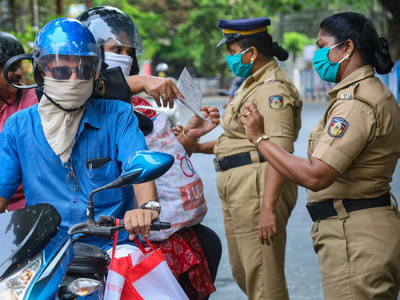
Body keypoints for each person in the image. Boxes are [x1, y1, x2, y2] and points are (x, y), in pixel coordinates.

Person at [240, 12, 400, 300]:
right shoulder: (365, 94)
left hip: (356, 236)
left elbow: (316, 175)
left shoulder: (357, 103)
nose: (317, 54)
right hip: (360, 227)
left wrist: (259, 138)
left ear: (347, 48)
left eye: (322, 44)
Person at [77, 7, 222, 299]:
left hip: (174, 230)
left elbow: (162, 164)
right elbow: (86, 87)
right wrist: (143, 81)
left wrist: (190, 137)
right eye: (115, 49)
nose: (125, 57)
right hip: (133, 234)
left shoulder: (138, 105)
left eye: (128, 50)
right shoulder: (88, 105)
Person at [0, 18, 160, 251]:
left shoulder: (119, 115)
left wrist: (147, 208)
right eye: (63, 71)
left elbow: (138, 166)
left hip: (113, 247)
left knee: (157, 288)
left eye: (84, 69)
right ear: (41, 71)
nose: (74, 80)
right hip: (43, 252)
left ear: (96, 73)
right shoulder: (18, 127)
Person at [192, 17, 303, 300]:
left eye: (232, 51)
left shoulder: (272, 89)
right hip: (239, 187)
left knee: (264, 280)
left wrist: (268, 207)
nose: (229, 58)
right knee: (245, 272)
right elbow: (237, 141)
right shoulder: (249, 84)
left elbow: (278, 149)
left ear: (251, 53)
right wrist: (195, 145)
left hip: (258, 186)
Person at [0, 32, 38, 211]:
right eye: (12, 67)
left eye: (19, 65)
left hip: (29, 206)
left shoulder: (33, 101)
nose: (20, 72)